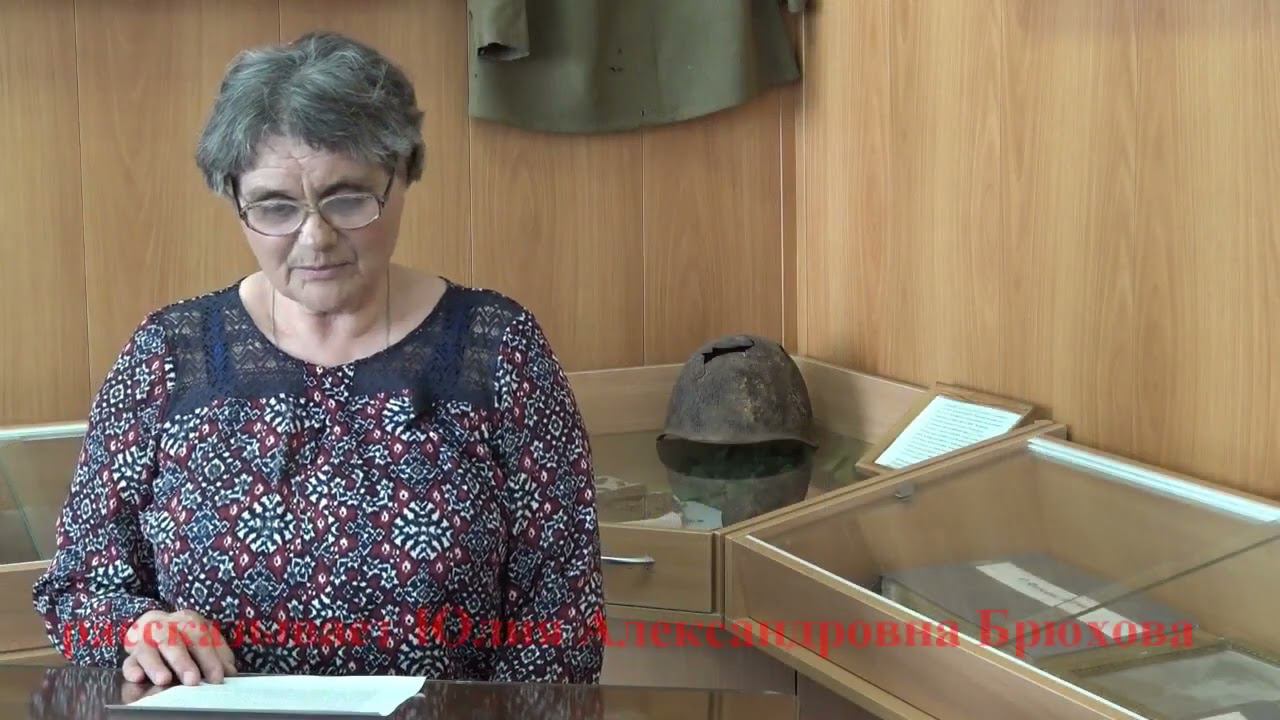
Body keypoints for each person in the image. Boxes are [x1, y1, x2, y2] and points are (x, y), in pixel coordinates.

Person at [31, 31, 604, 686]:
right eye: (275, 206)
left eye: (347, 197)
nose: (316, 237)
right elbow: (77, 590)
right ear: (235, 201)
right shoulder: (169, 353)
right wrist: (141, 629)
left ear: (402, 175)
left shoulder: (498, 347)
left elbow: (561, 624)